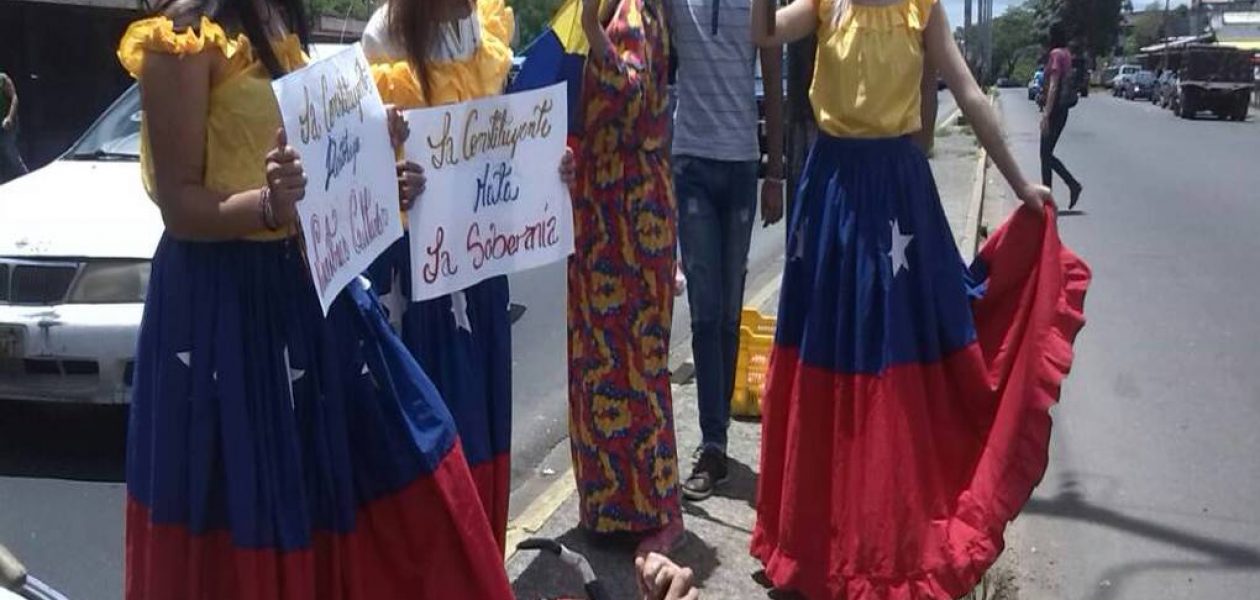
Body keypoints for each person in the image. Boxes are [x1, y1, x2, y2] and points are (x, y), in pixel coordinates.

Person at [117, 1, 513, 597]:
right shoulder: (181, 38)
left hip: (304, 295)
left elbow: (319, 179)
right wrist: (271, 205)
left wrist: (382, 170)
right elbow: (179, 207)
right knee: (256, 510)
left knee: (405, 468)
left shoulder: (278, 22)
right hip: (225, 314)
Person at [748, 0, 1091, 596]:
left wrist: (1018, 183)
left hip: (897, 199)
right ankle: (812, 542)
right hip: (830, 199)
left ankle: (881, 539)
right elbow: (763, 32)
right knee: (827, 362)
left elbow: (970, 93)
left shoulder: (921, 9)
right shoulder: (826, 3)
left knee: (894, 374)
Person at [359, 0, 573, 553]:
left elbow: (502, 146)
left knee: (478, 426)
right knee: (427, 435)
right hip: (412, 274)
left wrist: (550, 169)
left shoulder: (488, 25)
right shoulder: (385, 32)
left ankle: (479, 565)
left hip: (476, 273)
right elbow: (353, 161)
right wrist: (389, 178)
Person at [568, 0, 685, 557]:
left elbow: (635, 99)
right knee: (609, 363)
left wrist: (593, 29)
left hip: (627, 215)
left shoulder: (633, 12)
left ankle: (647, 509)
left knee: (629, 365)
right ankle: (617, 506)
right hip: (610, 209)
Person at [668, 0, 785, 501]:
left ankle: (718, 438)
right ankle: (713, 443)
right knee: (703, 312)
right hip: (691, 164)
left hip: (740, 167)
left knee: (728, 314)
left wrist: (775, 171)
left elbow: (774, 78)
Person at [1041, 23, 1083, 209]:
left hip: (1056, 109)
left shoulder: (1056, 54)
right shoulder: (1066, 53)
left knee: (1045, 154)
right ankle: (1051, 196)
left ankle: (1063, 189)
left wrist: (1046, 114)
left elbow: (1054, 85)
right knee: (1046, 154)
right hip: (1062, 110)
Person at [0, 71, 28, 183]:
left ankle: (26, 177)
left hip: (7, 124)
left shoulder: (2, 79)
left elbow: (14, 98)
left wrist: (10, 117)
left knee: (9, 150)